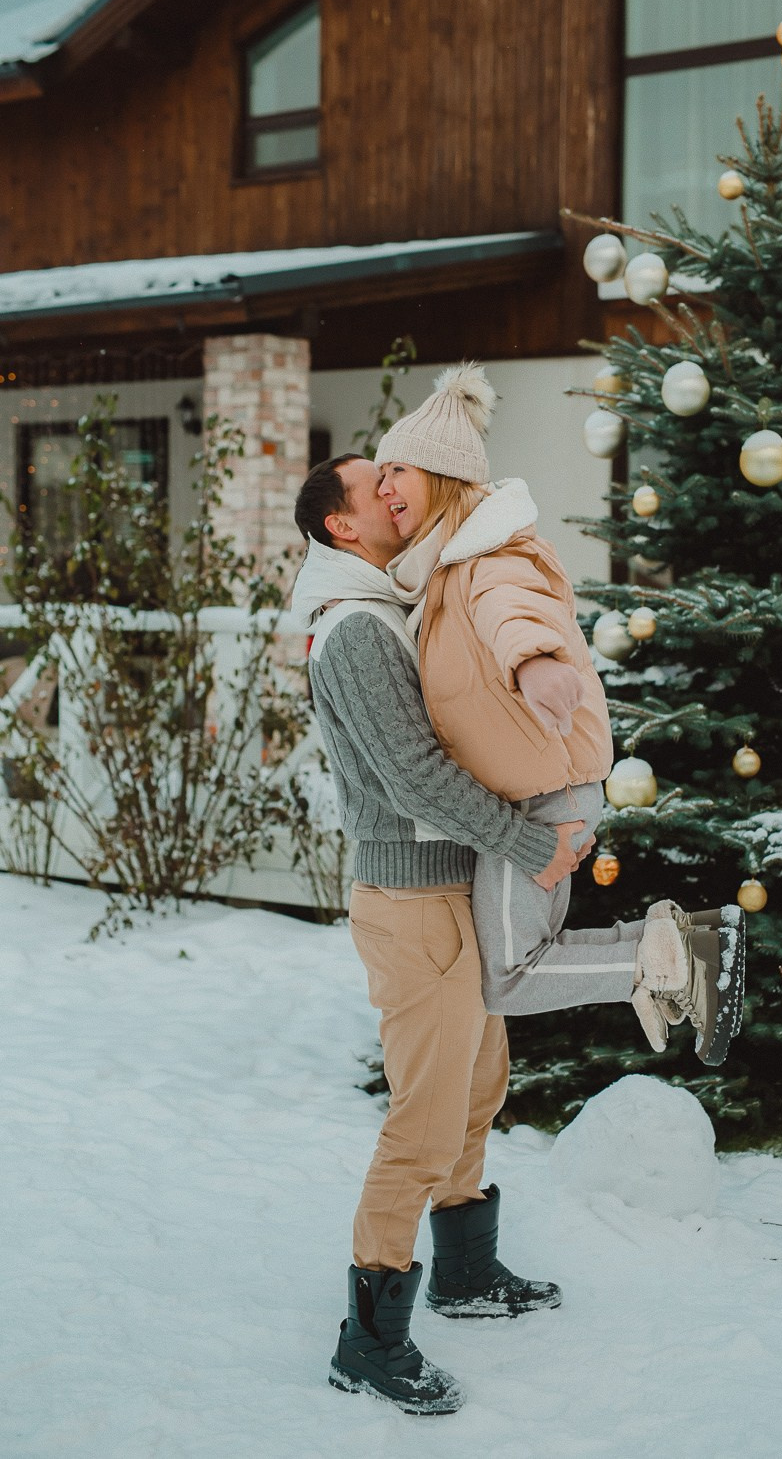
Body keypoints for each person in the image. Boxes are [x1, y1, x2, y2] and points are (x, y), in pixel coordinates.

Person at [291, 453, 586, 1417]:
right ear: (341, 527)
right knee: (422, 1121)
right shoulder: (354, 629)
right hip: (413, 906)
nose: (391, 492)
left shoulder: (393, 605)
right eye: (369, 486)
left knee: (477, 1087)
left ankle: (465, 1272)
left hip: (451, 892)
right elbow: (414, 775)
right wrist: (527, 843)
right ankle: (369, 1342)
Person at [375, 362, 745, 1063]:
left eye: (398, 470)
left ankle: (681, 955)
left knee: (510, 976)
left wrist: (534, 662)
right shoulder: (446, 571)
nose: (383, 486)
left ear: (443, 474)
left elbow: (514, 611)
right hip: (536, 795)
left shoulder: (488, 557)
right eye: (379, 474)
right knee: (519, 962)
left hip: (545, 798)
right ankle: (677, 950)